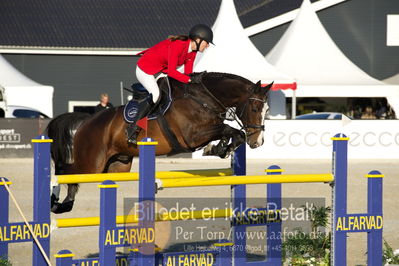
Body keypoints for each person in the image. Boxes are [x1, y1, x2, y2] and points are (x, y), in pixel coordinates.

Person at [126, 24, 214, 144]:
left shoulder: (192, 52)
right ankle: (133, 128)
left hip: (161, 70)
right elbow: (173, 72)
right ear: (198, 40)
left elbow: (188, 73)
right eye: (207, 42)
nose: (208, 45)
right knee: (156, 95)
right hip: (145, 69)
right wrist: (189, 80)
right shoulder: (178, 45)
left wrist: (196, 80)